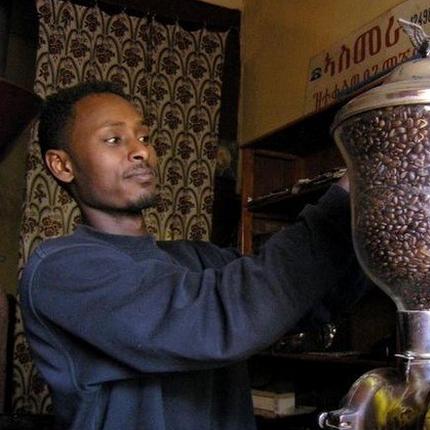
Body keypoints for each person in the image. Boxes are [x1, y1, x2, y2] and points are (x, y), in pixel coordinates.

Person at [19, 80, 363, 430]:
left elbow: (308, 300)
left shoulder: (196, 260)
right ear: (62, 165)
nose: (141, 151)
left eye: (144, 137)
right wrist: (345, 196)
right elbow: (215, 322)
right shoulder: (61, 270)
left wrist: (377, 207)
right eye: (114, 139)